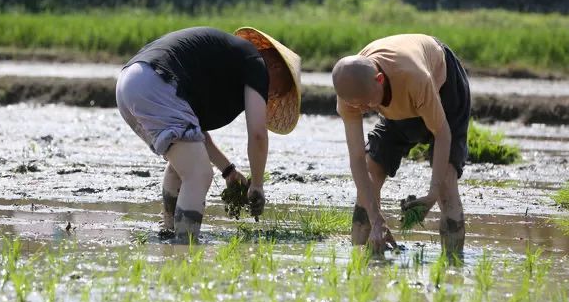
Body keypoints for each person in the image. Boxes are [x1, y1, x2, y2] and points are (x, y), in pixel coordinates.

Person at [116, 26, 301, 242]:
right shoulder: (256, 64)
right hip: (157, 83)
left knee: (183, 163)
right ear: (277, 67)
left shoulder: (227, 64)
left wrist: (229, 171)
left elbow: (197, 135)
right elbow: (258, 134)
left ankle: (168, 233)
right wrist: (257, 185)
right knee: (198, 174)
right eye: (280, 90)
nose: (273, 95)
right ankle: (184, 246)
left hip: (130, 84)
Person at [332, 34, 470, 256]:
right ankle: (360, 259)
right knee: (372, 168)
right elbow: (357, 159)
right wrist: (376, 220)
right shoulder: (351, 93)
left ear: (379, 80)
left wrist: (431, 195)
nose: (363, 109)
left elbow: (442, 133)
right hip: (395, 99)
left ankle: (453, 266)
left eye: (367, 103)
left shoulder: (415, 78)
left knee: (446, 182)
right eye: (356, 106)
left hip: (443, 88)